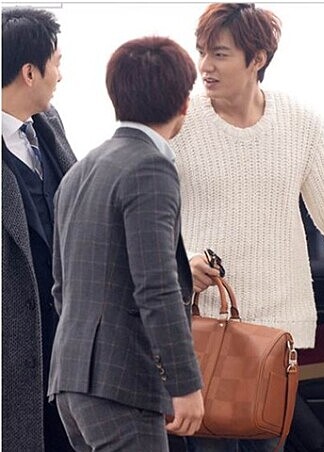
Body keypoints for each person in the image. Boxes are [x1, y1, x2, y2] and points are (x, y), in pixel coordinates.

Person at [170, 3, 324, 451]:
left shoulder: (300, 124)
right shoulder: (180, 124)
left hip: (275, 338)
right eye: (202, 51)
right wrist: (178, 264)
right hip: (203, 328)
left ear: (257, 59)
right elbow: (146, 217)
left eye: (219, 54)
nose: (204, 66)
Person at [47, 36, 204, 451]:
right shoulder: (150, 167)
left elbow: (61, 288)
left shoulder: (80, 170)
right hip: (121, 386)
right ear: (184, 103)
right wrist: (185, 384)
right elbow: (157, 286)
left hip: (71, 381)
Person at [2, 7, 76, 451]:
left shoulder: (49, 126)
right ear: (30, 72)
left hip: (67, 348)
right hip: (13, 353)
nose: (60, 76)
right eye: (56, 63)